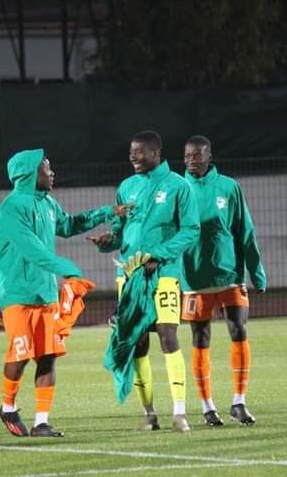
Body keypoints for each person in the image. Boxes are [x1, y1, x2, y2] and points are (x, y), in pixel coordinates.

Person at [0, 149, 128, 438]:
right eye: (46, 168)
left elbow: (68, 225)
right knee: (20, 352)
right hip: (17, 293)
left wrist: (108, 212)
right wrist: (68, 268)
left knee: (48, 355)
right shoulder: (11, 208)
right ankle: (7, 407)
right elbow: (31, 249)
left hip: (45, 293)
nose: (52, 173)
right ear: (29, 174)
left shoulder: (48, 203)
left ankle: (42, 421)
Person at [90, 130, 200, 432]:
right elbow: (120, 230)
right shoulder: (126, 187)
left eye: (138, 152)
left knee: (168, 335)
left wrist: (158, 255)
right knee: (137, 342)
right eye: (130, 152)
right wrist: (108, 241)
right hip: (128, 277)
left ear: (156, 153)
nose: (132, 157)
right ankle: (149, 413)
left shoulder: (179, 186)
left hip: (163, 275)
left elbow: (191, 230)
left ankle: (180, 412)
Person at [180, 135, 266, 426]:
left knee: (238, 331)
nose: (191, 160)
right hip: (193, 279)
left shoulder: (229, 187)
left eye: (197, 155)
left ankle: (239, 402)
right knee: (200, 338)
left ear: (209, 156)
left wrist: (256, 271)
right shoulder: (178, 189)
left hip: (229, 275)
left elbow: (245, 230)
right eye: (187, 156)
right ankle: (207, 406)